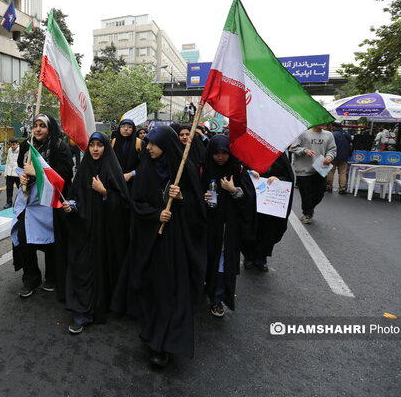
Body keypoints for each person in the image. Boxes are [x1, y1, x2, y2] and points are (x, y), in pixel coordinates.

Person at [111, 125, 206, 368]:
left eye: (153, 144)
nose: (148, 147)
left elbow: (200, 212)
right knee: (154, 287)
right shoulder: (146, 169)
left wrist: (182, 198)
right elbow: (138, 203)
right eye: (148, 143)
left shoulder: (186, 170)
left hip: (178, 242)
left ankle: (163, 343)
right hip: (152, 239)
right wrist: (156, 215)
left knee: (172, 289)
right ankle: (153, 327)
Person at [62, 132, 130, 334]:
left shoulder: (113, 170)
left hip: (106, 235)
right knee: (82, 267)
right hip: (84, 231)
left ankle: (103, 305)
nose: (95, 149)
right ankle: (82, 311)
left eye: (100, 145)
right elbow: (75, 196)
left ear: (106, 148)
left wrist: (105, 192)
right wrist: (71, 206)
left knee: (103, 270)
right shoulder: (83, 170)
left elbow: (124, 203)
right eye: (92, 145)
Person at [11, 114, 73, 298]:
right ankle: (30, 278)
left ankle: (53, 276)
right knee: (23, 239)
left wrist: (37, 173)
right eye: (35, 125)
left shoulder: (59, 147)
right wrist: (22, 176)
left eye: (42, 126)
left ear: (50, 128)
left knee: (50, 242)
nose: (37, 129)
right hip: (28, 202)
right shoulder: (26, 145)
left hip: (49, 203)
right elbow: (21, 169)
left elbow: (65, 175)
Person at [200, 135, 255, 318]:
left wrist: (233, 190)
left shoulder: (237, 170)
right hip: (207, 227)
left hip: (227, 229)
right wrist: (202, 197)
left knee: (222, 264)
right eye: (216, 153)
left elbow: (249, 201)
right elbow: (193, 194)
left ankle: (218, 299)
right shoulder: (204, 168)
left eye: (224, 153)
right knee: (206, 260)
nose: (220, 157)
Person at [242, 153, 295, 272]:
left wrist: (278, 179)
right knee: (249, 227)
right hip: (251, 201)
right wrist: (249, 173)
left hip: (271, 204)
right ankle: (249, 256)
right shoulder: (251, 151)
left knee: (268, 230)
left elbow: (289, 177)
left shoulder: (279, 155)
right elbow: (240, 170)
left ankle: (261, 257)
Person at [289, 125, 336, 224]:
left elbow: (332, 149)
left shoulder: (329, 135)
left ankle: (309, 209)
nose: (324, 123)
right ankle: (307, 213)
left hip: (321, 168)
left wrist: (329, 157)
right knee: (306, 194)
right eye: (321, 120)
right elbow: (292, 148)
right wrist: (304, 150)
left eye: (325, 121)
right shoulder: (302, 133)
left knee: (320, 193)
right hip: (303, 169)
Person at [112, 118, 143, 184]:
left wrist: (131, 174)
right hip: (116, 179)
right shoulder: (114, 142)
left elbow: (145, 163)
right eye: (123, 126)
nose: (126, 129)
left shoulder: (138, 142)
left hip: (134, 181)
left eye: (129, 127)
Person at [326, 122, 352, 195]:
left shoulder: (332, 135)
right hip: (344, 157)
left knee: (331, 171)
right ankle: (342, 188)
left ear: (334, 127)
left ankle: (329, 187)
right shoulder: (347, 134)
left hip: (333, 156)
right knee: (342, 173)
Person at [3, 137, 20, 208]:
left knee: (21, 189)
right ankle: (9, 202)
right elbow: (7, 161)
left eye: (14, 144)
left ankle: (20, 202)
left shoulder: (21, 150)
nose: (12, 146)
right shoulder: (10, 150)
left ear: (17, 144)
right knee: (9, 189)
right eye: (11, 145)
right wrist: (6, 173)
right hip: (10, 173)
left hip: (18, 174)